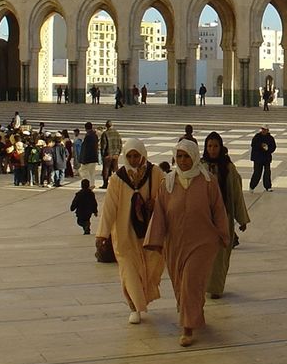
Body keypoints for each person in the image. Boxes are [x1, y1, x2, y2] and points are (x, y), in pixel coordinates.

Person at [144, 139, 230, 347]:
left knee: (190, 281)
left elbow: (218, 210)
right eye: (179, 156)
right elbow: (160, 213)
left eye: (186, 156)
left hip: (202, 242)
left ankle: (187, 328)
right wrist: (155, 239)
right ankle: (193, 312)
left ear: (194, 157)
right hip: (175, 243)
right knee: (182, 284)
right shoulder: (169, 183)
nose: (183, 161)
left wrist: (224, 234)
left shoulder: (208, 182)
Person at [96, 139, 166, 325]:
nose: (134, 160)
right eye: (130, 156)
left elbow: (167, 196)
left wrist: (156, 203)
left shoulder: (155, 173)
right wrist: (102, 234)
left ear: (143, 154)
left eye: (137, 156)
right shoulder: (117, 179)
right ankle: (133, 306)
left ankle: (143, 297)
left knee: (150, 267)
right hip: (125, 233)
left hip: (149, 232)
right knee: (128, 270)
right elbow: (109, 207)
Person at [202, 132, 250, 299]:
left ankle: (215, 287)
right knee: (204, 253)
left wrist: (241, 218)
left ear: (221, 147)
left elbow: (236, 194)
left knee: (220, 255)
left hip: (223, 217)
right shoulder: (200, 167)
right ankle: (202, 284)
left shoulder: (228, 168)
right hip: (204, 218)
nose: (213, 150)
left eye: (215, 146)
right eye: (209, 146)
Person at [249, 125, 276, 192]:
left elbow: (273, 147)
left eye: (265, 129)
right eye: (263, 129)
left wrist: (268, 149)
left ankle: (268, 186)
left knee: (267, 172)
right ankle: (252, 186)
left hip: (266, 158)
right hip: (258, 158)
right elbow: (253, 145)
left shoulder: (270, 138)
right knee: (257, 173)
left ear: (267, 130)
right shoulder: (257, 137)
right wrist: (261, 146)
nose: (264, 131)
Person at [100, 120, 122, 189]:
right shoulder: (117, 133)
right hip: (115, 154)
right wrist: (118, 153)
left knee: (106, 169)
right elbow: (120, 144)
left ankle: (105, 184)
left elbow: (103, 145)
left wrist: (103, 155)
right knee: (115, 169)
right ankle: (117, 183)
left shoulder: (105, 133)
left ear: (106, 126)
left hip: (108, 154)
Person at [80, 122, 100, 187]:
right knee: (92, 172)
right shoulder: (95, 135)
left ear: (85, 128)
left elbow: (85, 149)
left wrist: (83, 159)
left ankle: (87, 184)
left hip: (88, 158)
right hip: (94, 156)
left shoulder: (88, 136)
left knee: (83, 171)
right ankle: (92, 184)